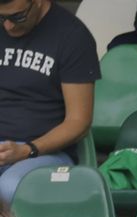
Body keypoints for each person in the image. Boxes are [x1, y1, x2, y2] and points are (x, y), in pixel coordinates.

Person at [0, 0, 96, 202]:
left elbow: (79, 121)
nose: (8, 25)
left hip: (44, 152)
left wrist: (28, 150)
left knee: (9, 188)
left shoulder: (72, 35)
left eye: (17, 16)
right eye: (1, 18)